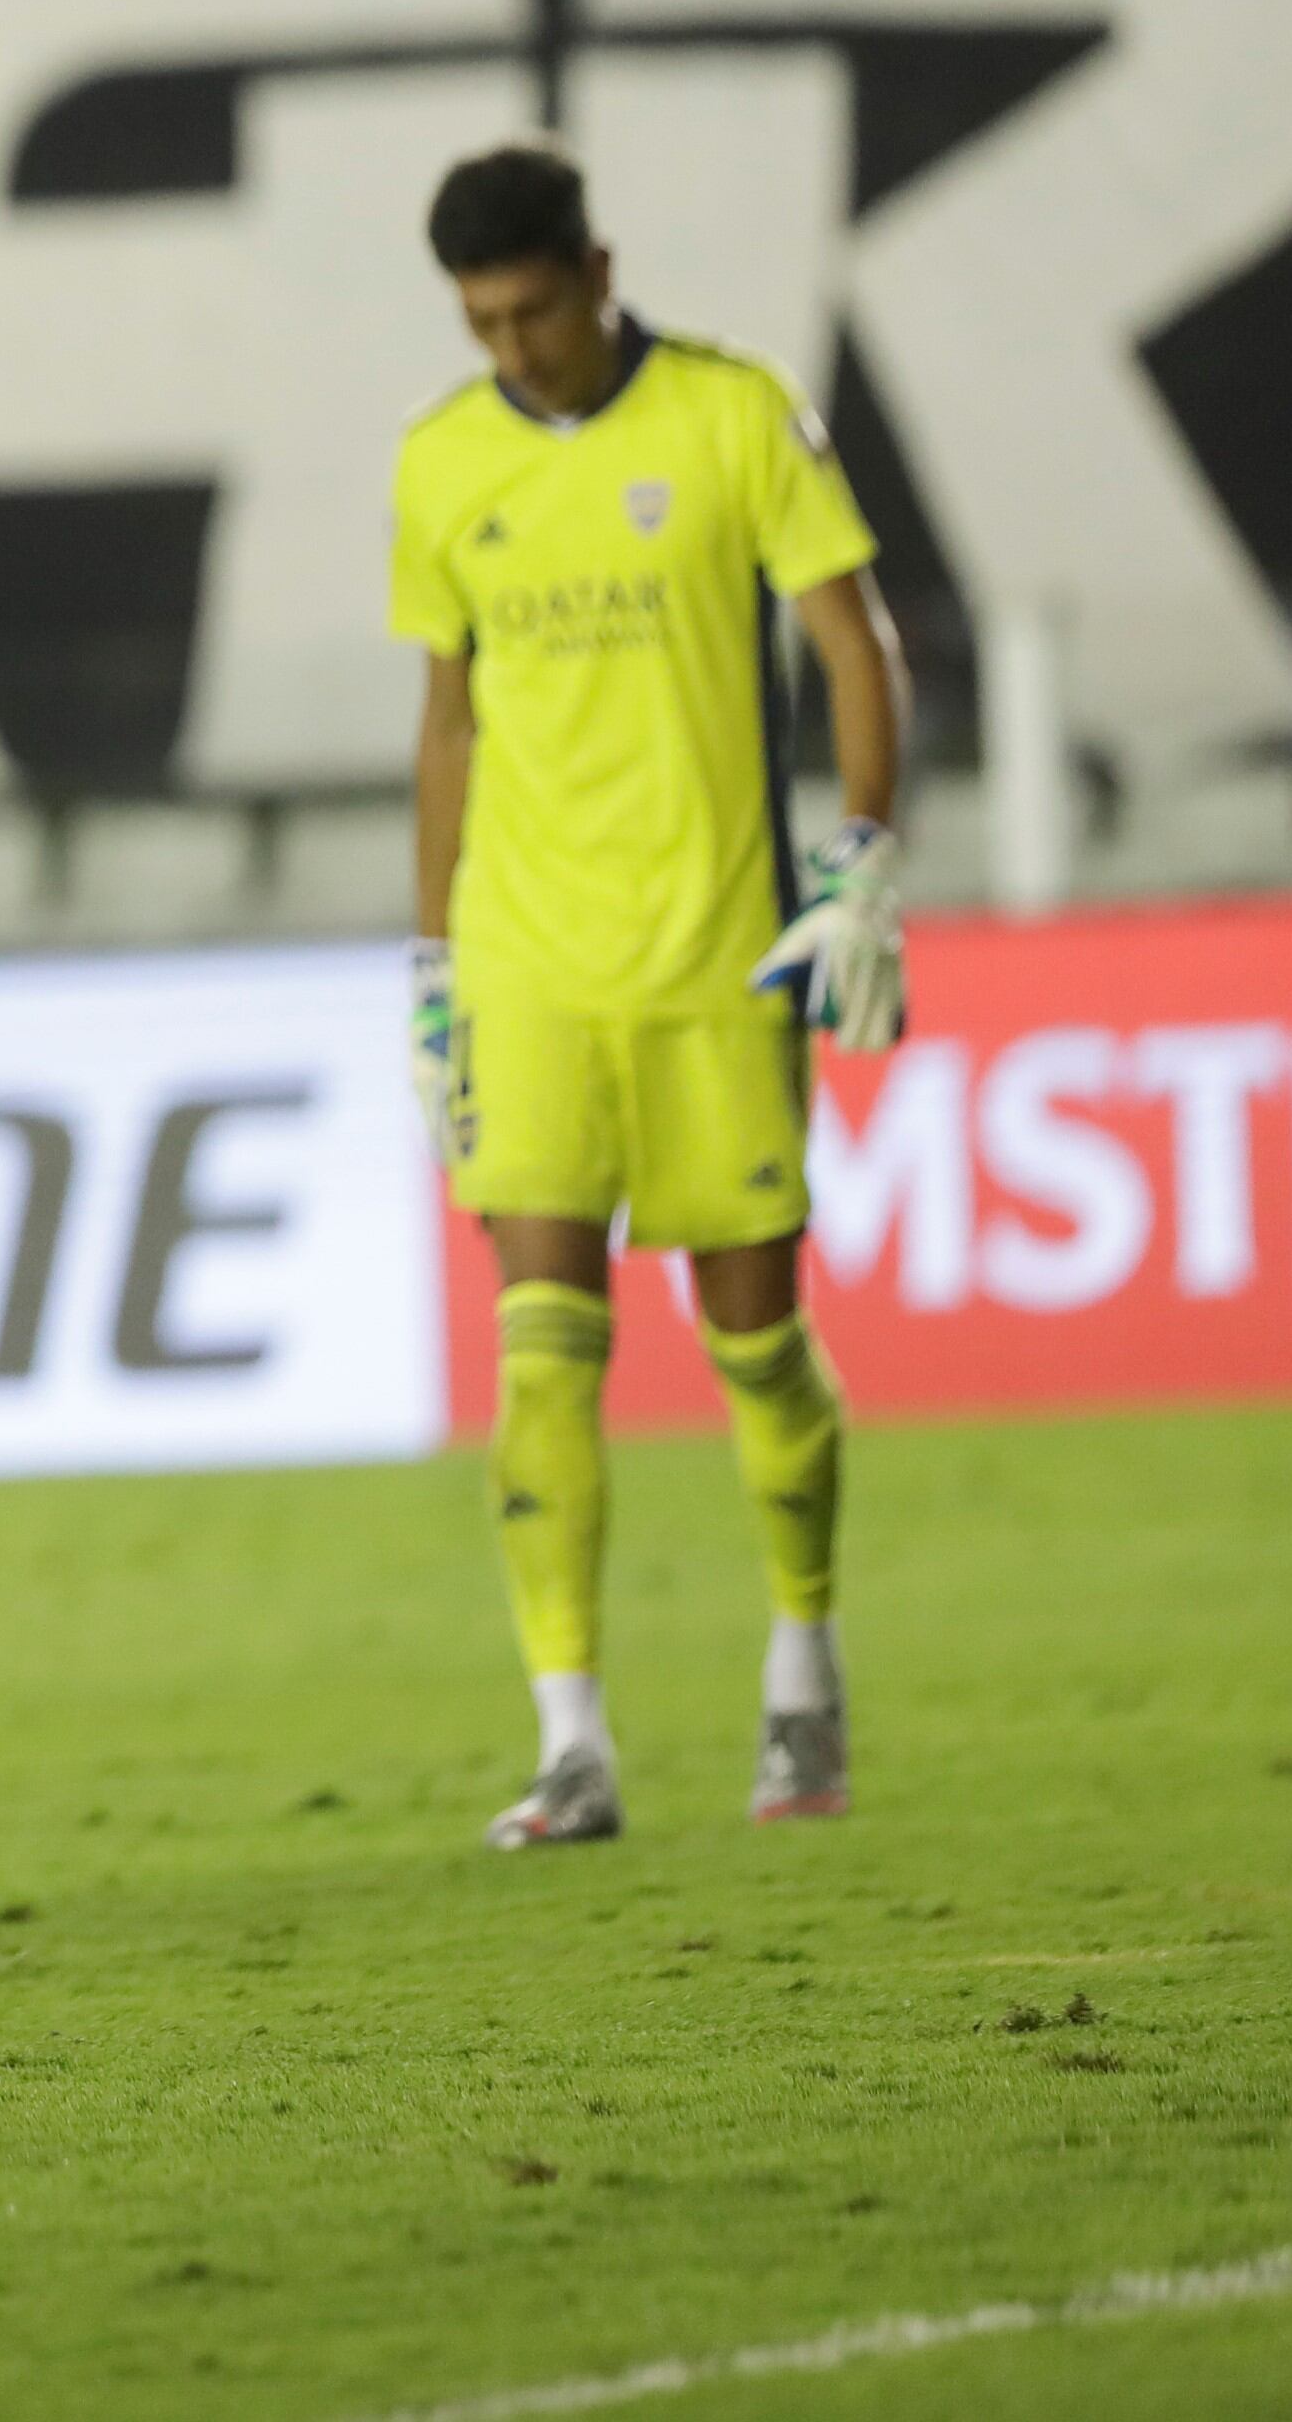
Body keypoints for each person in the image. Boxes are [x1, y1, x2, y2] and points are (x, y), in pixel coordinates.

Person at [388, 142, 907, 1851]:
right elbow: (449, 721)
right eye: (482, 321)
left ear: (598, 271)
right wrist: (435, 961)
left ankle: (804, 1665)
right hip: (532, 964)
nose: (513, 346)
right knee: (542, 1357)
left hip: (713, 957)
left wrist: (864, 860)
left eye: (533, 308)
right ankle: (571, 1741)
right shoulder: (444, 461)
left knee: (757, 1347)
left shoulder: (733, 417)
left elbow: (852, 644)